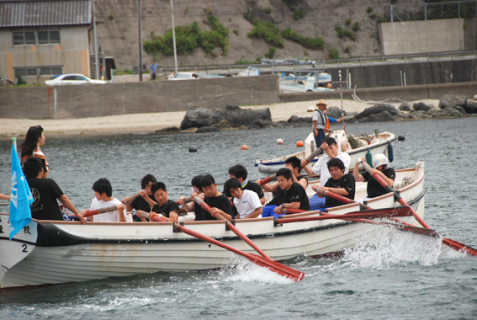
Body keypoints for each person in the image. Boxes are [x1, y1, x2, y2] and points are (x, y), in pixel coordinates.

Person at [22, 157, 85, 223]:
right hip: (54, 223)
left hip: (33, 222)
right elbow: (64, 199)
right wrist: (77, 213)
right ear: (40, 171)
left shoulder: (23, 187)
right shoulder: (49, 183)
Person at [301, 137, 351, 210]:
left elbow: (337, 164)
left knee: (312, 206)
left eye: (331, 148)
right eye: (327, 149)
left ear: (336, 147)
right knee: (304, 205)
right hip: (322, 192)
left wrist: (328, 151)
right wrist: (304, 165)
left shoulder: (344, 156)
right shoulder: (323, 159)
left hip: (335, 192)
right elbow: (311, 174)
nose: (329, 150)